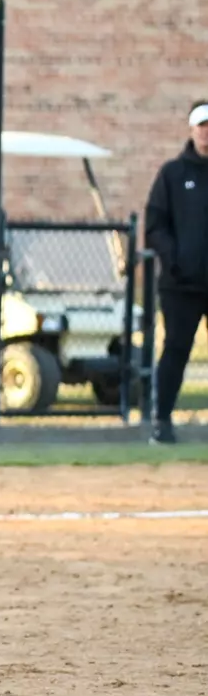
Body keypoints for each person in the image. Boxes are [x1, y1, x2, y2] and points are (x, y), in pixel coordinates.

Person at [144, 101, 208, 445]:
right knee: (176, 350)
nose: (206, 132)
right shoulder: (172, 174)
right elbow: (155, 225)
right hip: (180, 285)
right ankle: (162, 421)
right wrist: (175, 261)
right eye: (202, 124)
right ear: (191, 129)